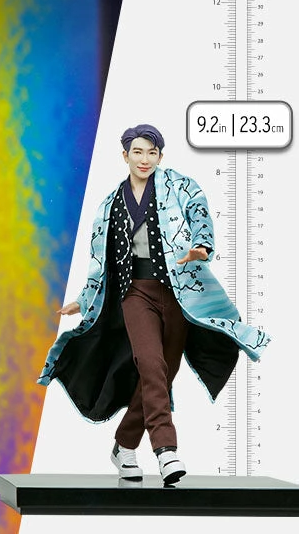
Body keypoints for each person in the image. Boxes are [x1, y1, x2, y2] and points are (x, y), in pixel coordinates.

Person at [38, 124, 268, 485]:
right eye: (138, 152)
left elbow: (198, 210)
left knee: (161, 373)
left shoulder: (178, 185)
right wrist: (84, 299)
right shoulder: (110, 205)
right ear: (125, 155)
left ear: (160, 156)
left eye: (152, 152)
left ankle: (124, 445)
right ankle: (166, 450)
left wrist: (201, 246)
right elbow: (100, 259)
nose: (144, 159)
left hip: (179, 293)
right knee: (150, 362)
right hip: (135, 293)